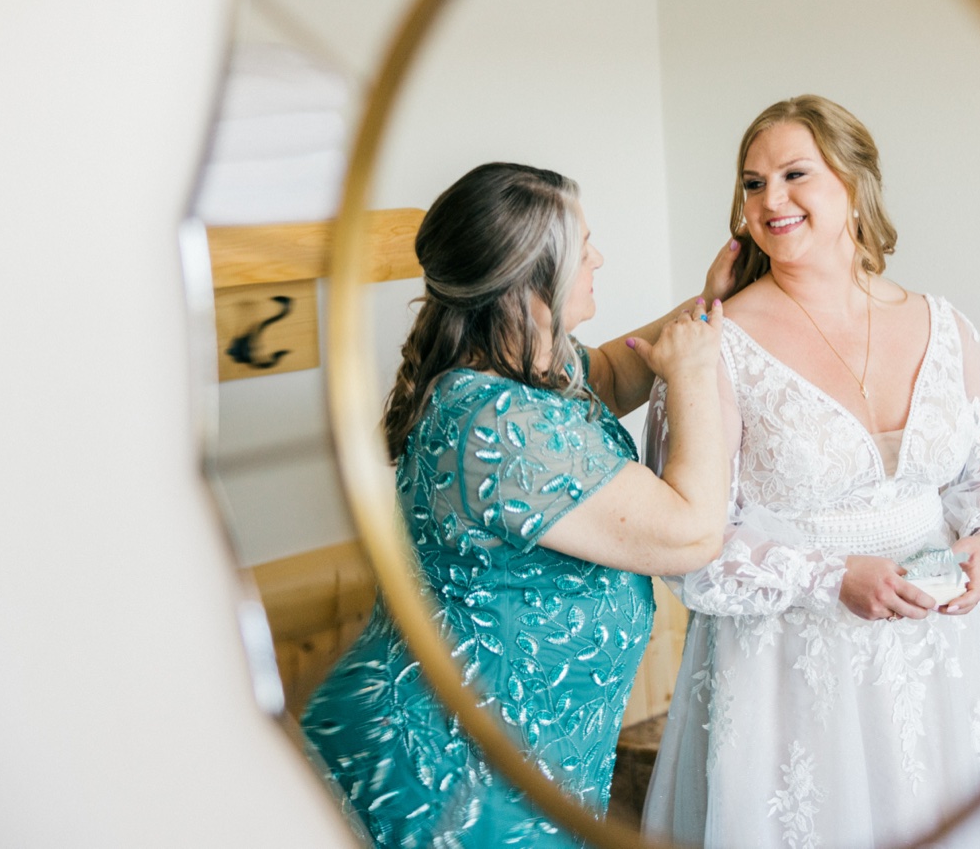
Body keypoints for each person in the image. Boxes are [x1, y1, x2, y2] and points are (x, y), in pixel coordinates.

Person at [642, 97, 980, 848]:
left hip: (939, 667)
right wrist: (829, 577)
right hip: (789, 677)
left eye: (794, 174)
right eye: (752, 183)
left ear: (854, 182)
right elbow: (690, 543)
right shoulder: (716, 344)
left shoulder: (944, 324)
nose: (770, 199)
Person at [301, 162, 735, 849]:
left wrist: (715, 298)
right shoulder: (497, 422)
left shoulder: (534, 365)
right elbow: (692, 530)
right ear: (527, 286)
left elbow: (622, 367)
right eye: (581, 246)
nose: (598, 257)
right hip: (443, 786)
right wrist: (695, 372)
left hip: (517, 769)